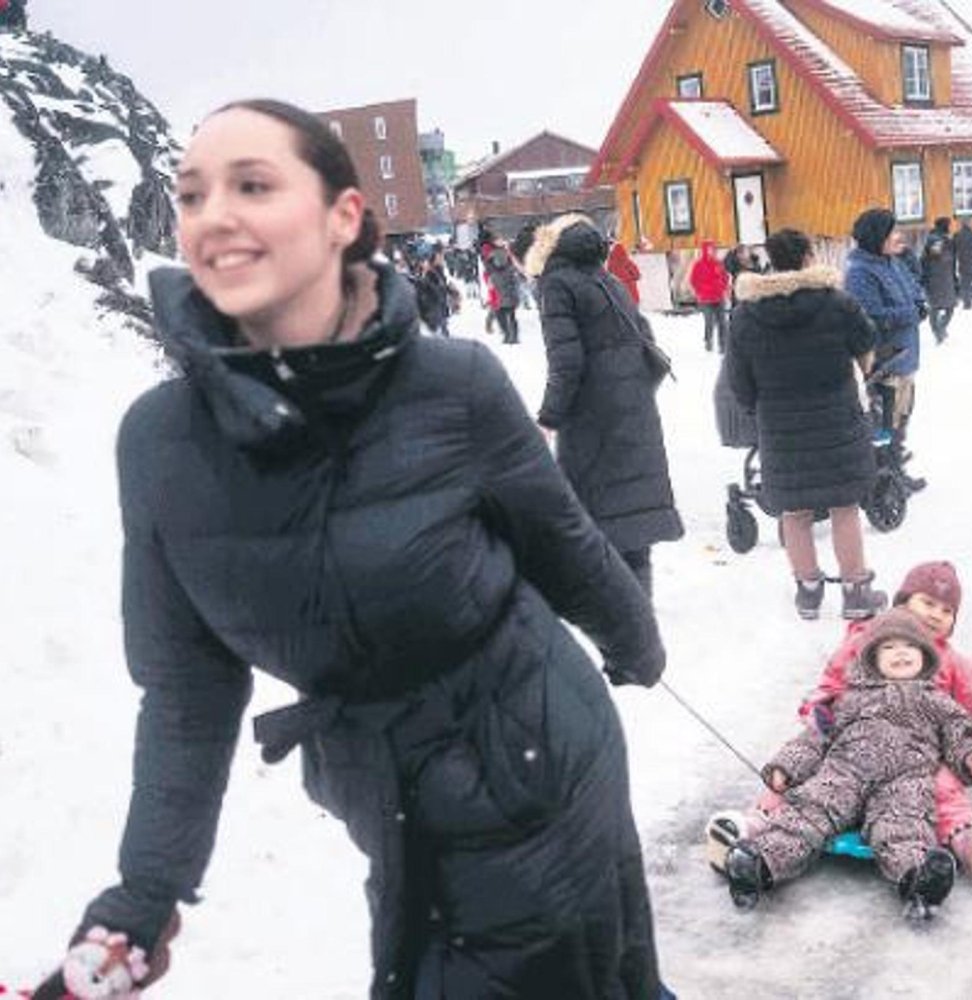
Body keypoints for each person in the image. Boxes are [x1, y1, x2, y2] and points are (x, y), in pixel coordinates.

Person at [46, 99, 668, 999]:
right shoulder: (159, 443)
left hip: (535, 750)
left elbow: (560, 537)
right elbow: (185, 686)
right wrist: (144, 892)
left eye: (252, 185)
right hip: (387, 794)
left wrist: (635, 642)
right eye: (191, 195)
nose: (214, 214)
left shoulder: (451, 384)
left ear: (344, 218)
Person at [705, 561, 972, 890]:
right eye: (927, 602)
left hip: (916, 763)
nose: (936, 614)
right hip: (849, 756)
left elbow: (968, 722)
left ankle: (964, 848)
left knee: (929, 798)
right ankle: (754, 834)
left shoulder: (955, 666)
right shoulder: (864, 642)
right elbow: (829, 691)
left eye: (946, 610)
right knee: (809, 790)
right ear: (903, 601)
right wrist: (817, 720)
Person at [519, 213, 685, 598]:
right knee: (634, 519)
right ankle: (640, 607)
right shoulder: (607, 279)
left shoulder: (555, 284)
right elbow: (645, 338)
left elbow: (567, 361)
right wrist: (631, 390)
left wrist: (548, 418)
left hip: (592, 418)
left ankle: (620, 615)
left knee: (595, 519)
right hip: (635, 408)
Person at [725, 228, 887, 620]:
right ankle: (855, 591)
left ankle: (809, 590)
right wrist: (859, 377)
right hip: (836, 421)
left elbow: (738, 381)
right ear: (809, 257)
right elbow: (867, 344)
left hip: (781, 428)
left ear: (770, 260)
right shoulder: (836, 303)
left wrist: (758, 409)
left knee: (793, 512)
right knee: (844, 506)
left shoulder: (746, 315)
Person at [845, 208, 928, 491]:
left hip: (905, 355)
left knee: (902, 416)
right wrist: (911, 313)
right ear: (876, 237)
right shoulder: (859, 273)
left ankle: (895, 470)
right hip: (884, 360)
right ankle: (885, 480)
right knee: (885, 422)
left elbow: (915, 290)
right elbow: (871, 316)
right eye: (893, 232)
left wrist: (920, 303)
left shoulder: (892, 262)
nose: (899, 236)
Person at [689, 238, 731, 352]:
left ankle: (723, 345)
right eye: (708, 249)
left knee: (722, 322)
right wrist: (700, 291)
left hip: (719, 297)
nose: (711, 251)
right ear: (704, 250)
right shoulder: (698, 265)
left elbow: (725, 277)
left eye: (713, 249)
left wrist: (724, 288)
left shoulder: (718, 263)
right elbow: (693, 280)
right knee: (709, 323)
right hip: (706, 299)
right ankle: (708, 342)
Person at [920, 217, 958, 342]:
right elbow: (935, 254)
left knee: (950, 307)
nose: (950, 227)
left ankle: (940, 328)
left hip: (946, 277)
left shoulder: (945, 239)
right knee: (935, 307)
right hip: (935, 278)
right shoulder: (934, 239)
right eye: (948, 225)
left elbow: (950, 258)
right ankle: (938, 332)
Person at [482, 237, 523, 343]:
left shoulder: (496, 257)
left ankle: (508, 335)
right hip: (505, 290)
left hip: (501, 290)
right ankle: (512, 336)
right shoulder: (505, 255)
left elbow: (488, 270)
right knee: (509, 315)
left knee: (502, 315)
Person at [606, 238, 643, 304]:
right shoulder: (627, 261)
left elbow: (608, 273)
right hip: (631, 294)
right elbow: (636, 273)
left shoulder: (611, 262)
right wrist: (637, 276)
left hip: (619, 293)